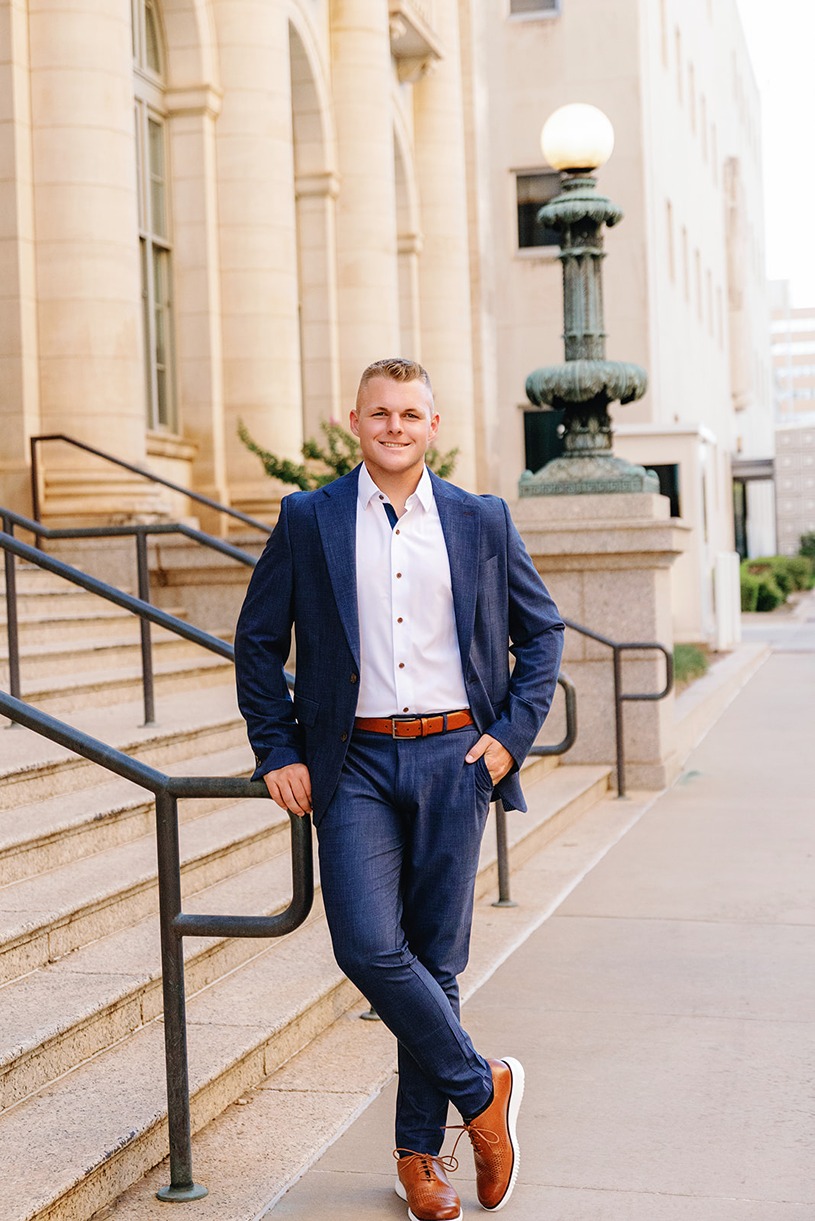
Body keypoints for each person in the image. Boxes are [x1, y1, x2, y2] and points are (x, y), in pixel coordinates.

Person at [235, 358, 564, 1220]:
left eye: (409, 412)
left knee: (436, 961)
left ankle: (419, 1159)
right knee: (368, 946)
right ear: (354, 421)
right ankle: (480, 1089)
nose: (394, 425)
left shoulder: (480, 519)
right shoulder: (308, 519)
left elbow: (543, 632)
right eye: (379, 412)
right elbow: (258, 641)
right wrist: (276, 748)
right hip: (352, 765)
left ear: (433, 422)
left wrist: (508, 741)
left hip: (456, 757)